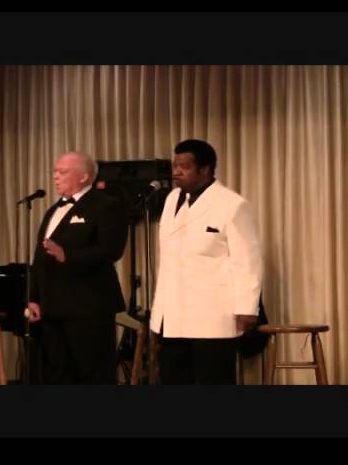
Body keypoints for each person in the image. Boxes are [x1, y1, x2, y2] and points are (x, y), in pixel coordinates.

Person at [150, 139, 263, 384]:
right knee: (173, 380)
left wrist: (247, 309)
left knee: (212, 380)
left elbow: (247, 262)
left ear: (205, 169)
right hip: (173, 313)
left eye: (184, 167)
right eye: (175, 165)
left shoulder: (232, 204)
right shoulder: (171, 199)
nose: (176, 172)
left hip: (212, 315)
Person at [27, 151, 128, 384]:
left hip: (89, 306)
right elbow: (40, 258)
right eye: (55, 171)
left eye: (62, 172)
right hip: (52, 307)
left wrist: (68, 255)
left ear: (83, 177)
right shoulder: (53, 209)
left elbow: (111, 250)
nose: (55, 176)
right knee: (57, 374)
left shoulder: (107, 205)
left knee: (92, 374)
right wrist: (34, 297)